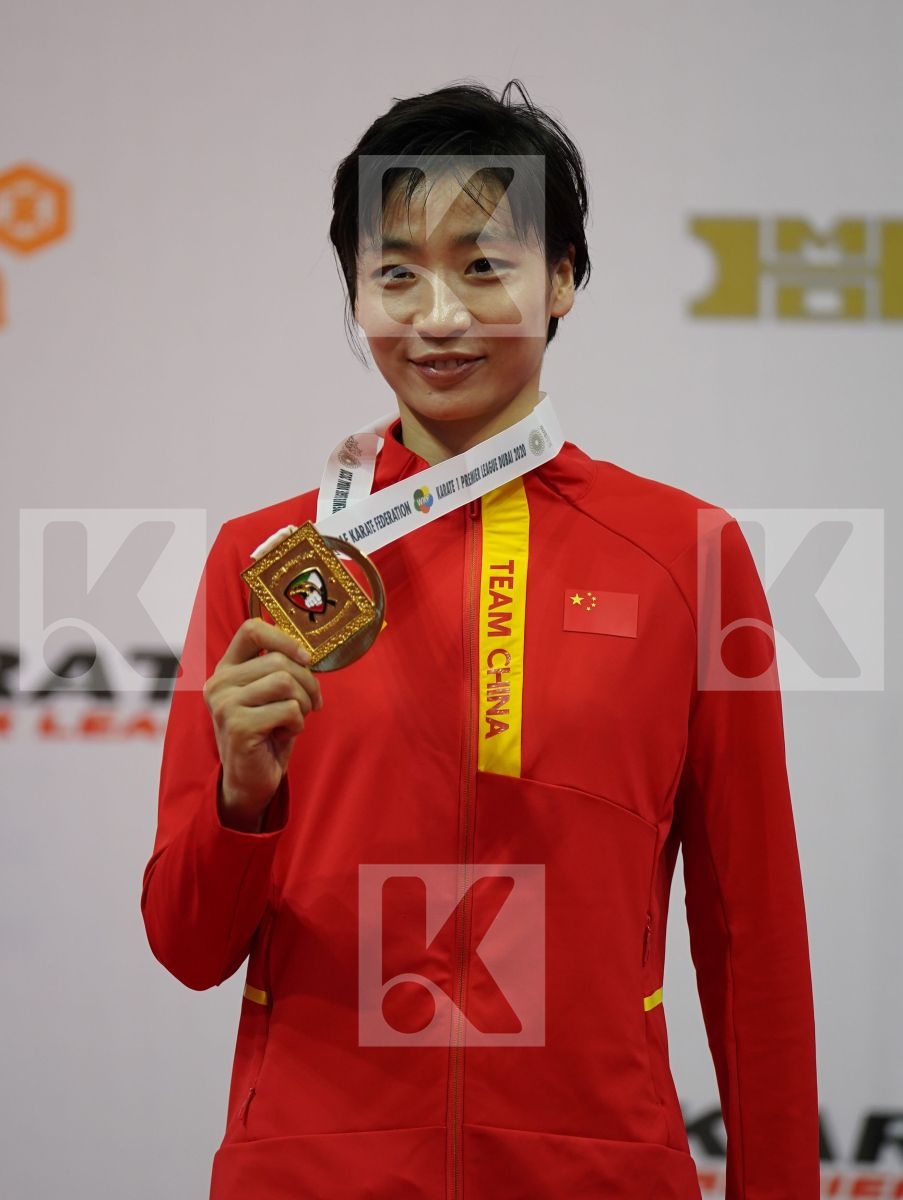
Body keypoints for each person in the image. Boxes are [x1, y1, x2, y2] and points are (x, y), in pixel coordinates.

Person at [141, 79, 820, 1200]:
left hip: (593, 1170)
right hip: (314, 1171)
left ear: (561, 278)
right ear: (356, 294)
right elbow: (187, 945)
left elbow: (752, 935)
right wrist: (242, 801)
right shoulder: (268, 562)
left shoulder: (689, 553)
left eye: (483, 265)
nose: (438, 315)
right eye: (395, 272)